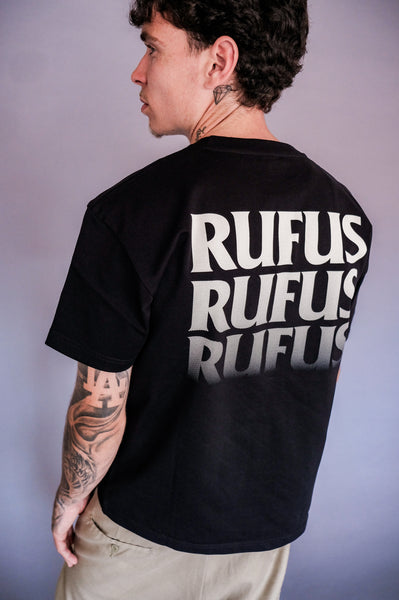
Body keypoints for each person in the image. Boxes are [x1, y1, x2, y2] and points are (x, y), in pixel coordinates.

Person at [46, 1, 372, 598]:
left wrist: (70, 500)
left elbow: (100, 401)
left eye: (153, 48)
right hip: (263, 540)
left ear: (219, 60)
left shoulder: (130, 213)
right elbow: (317, 372)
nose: (138, 72)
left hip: (138, 536)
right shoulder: (345, 215)